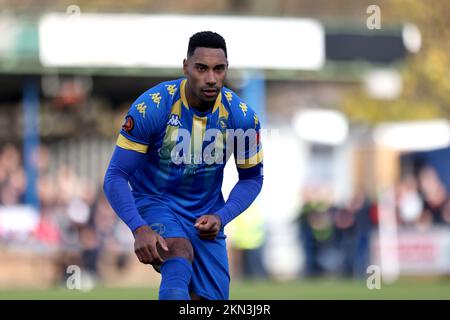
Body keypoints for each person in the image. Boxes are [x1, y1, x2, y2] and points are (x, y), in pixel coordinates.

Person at [103, 31, 263, 300]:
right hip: (155, 201)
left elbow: (251, 179)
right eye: (201, 68)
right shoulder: (152, 107)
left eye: (218, 69)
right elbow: (116, 175)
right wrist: (139, 227)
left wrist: (222, 216)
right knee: (179, 251)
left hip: (207, 214)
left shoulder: (242, 117)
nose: (211, 78)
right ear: (186, 66)